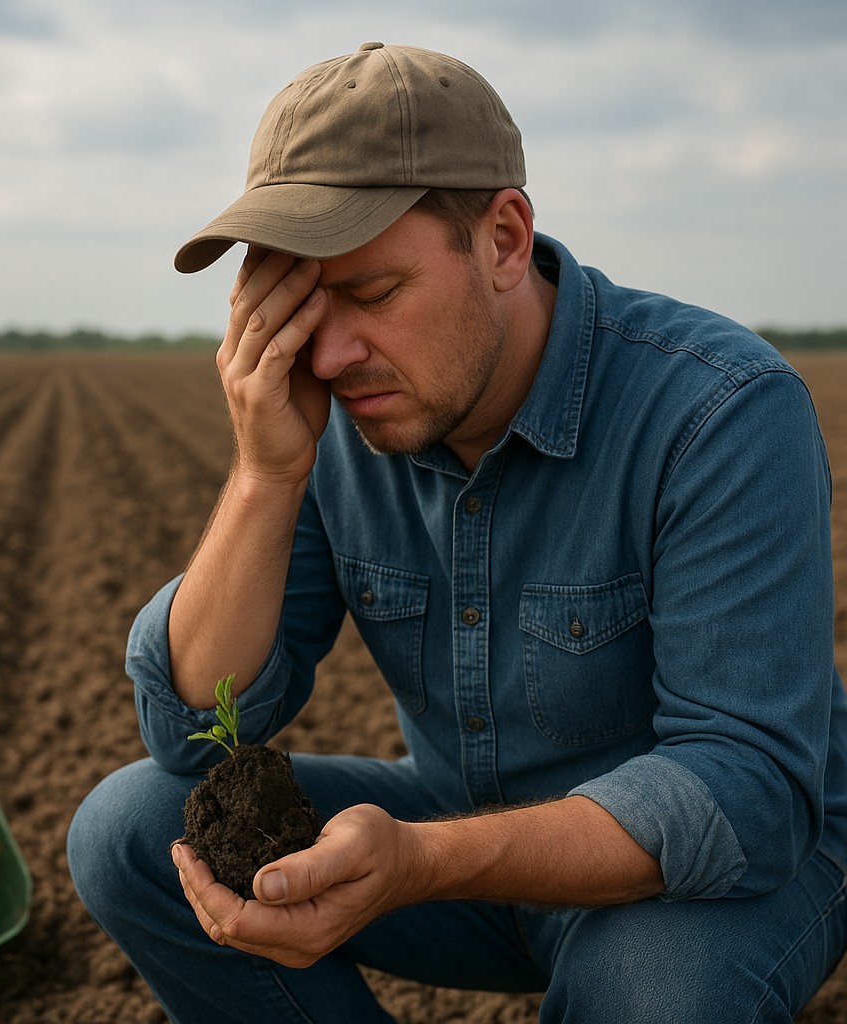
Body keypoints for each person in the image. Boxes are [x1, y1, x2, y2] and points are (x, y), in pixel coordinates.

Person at [68, 42, 847, 1023]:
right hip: (465, 836)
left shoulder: (718, 411)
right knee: (130, 831)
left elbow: (744, 792)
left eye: (370, 292)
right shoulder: (338, 412)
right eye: (301, 306)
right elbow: (187, 733)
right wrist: (267, 472)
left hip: (714, 872)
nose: (334, 351)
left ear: (504, 239)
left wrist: (418, 862)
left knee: (648, 992)